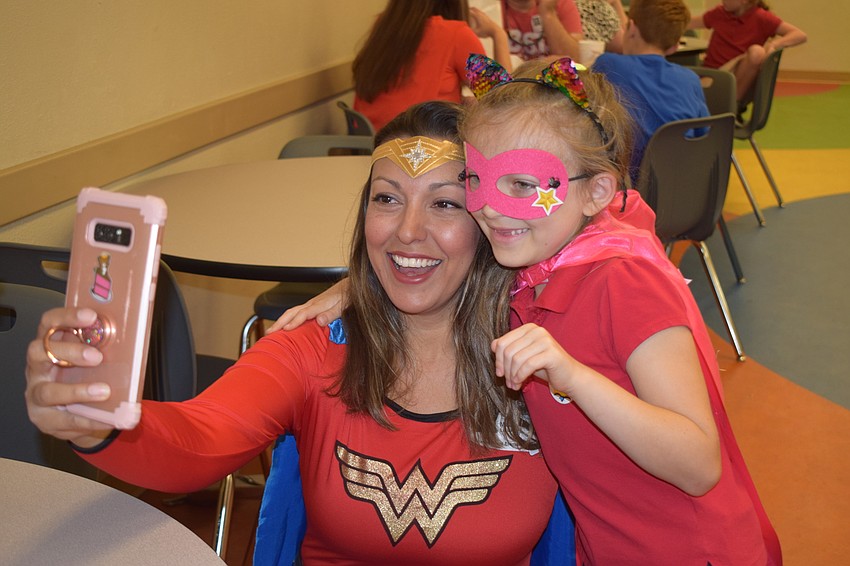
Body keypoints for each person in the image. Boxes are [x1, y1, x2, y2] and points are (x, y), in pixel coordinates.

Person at [277, 56, 782, 564]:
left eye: (522, 185)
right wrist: (361, 284)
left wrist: (572, 376)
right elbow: (448, 272)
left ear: (596, 192)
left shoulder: (626, 280)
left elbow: (698, 464)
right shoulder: (532, 270)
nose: (491, 206)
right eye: (476, 179)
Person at [25, 101, 562, 565]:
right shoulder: (315, 346)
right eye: (386, 198)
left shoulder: (552, 356)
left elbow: (602, 229)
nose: (407, 230)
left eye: (444, 203)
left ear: (492, 222)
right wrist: (98, 422)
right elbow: (201, 437)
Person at [592, 0, 709, 186]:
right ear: (674, 46)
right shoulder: (691, 79)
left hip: (630, 188)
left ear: (631, 28)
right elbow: (704, 134)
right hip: (687, 186)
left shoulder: (609, 65)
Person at [352, 0, 511, 131]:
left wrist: (456, 99)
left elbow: (401, 95)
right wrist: (498, 34)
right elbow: (504, 100)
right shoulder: (456, 34)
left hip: (371, 145)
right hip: (420, 147)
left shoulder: (383, 27)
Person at [690, 0, 807, 106]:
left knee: (757, 52)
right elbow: (688, 23)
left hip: (734, 78)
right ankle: (727, 105)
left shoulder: (761, 17)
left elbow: (800, 35)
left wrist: (774, 45)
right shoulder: (720, 13)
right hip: (711, 75)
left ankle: (733, 104)